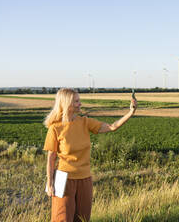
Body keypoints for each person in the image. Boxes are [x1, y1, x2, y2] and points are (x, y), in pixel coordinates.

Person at [43, 88, 137, 222]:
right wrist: (50, 182)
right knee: (62, 218)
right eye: (76, 101)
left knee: (82, 218)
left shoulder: (85, 122)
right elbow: (50, 159)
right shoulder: (55, 128)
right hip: (64, 179)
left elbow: (112, 127)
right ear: (67, 104)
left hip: (85, 179)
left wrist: (131, 112)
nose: (80, 103)